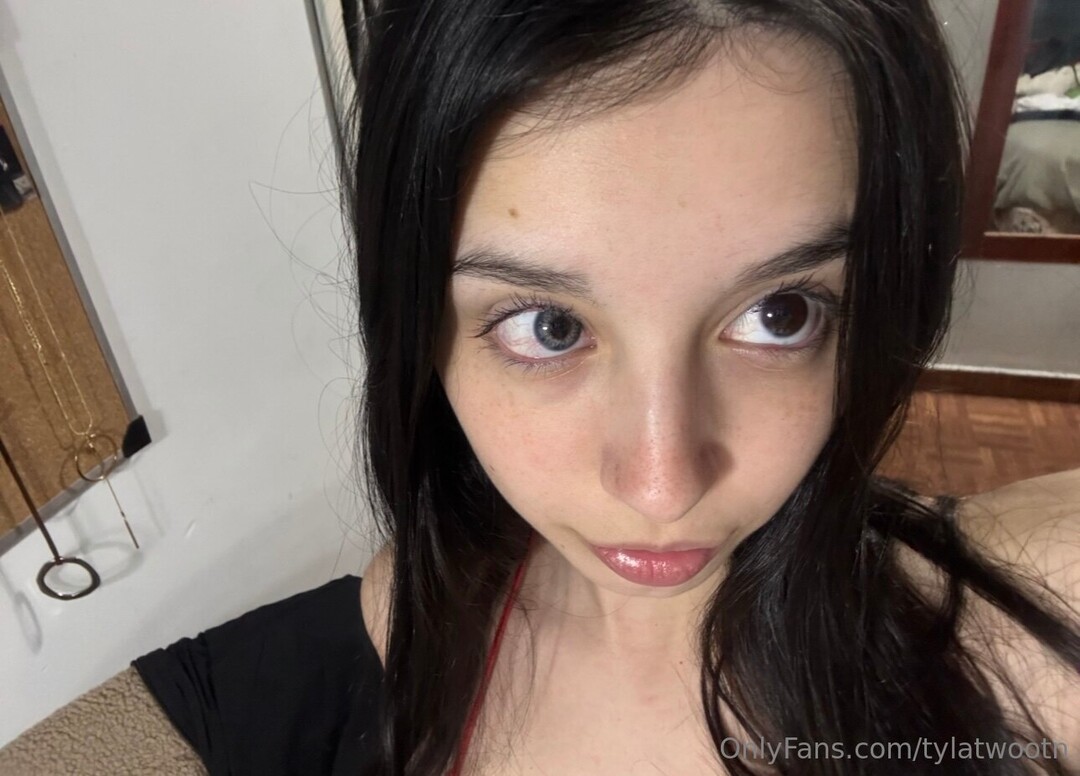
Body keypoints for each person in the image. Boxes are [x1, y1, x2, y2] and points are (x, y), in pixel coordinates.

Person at [2, 1, 1078, 775]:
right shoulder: (394, 635)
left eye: (780, 312)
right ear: (424, 329)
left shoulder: (1016, 626)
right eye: (549, 326)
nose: (662, 483)